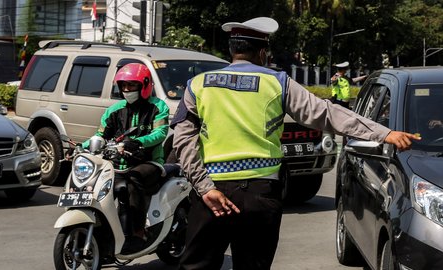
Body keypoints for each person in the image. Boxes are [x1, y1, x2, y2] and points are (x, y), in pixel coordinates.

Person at [170, 17, 419, 270]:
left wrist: (204, 188)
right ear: (263, 52)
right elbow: (325, 113)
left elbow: (183, 141)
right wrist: (383, 133)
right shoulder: (277, 82)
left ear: (232, 50)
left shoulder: (199, 85)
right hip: (260, 193)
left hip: (213, 193)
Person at [83, 63, 169, 254]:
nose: (127, 90)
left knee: (133, 179)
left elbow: (160, 133)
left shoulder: (158, 107)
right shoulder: (114, 110)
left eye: (131, 85)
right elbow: (100, 135)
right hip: (116, 164)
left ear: (145, 85)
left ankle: (138, 232)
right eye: (123, 86)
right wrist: (81, 146)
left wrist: (137, 142)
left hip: (148, 163)